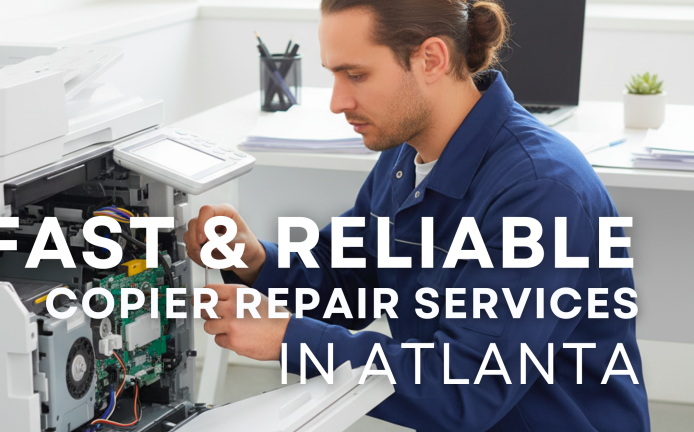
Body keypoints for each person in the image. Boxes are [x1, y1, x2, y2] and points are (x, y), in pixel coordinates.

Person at [183, 0, 651, 430]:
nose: (337, 102)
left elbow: (466, 386)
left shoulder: (540, 191)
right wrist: (255, 260)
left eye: (356, 75)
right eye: (335, 75)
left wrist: (288, 336)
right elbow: (349, 277)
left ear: (431, 59)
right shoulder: (408, 152)